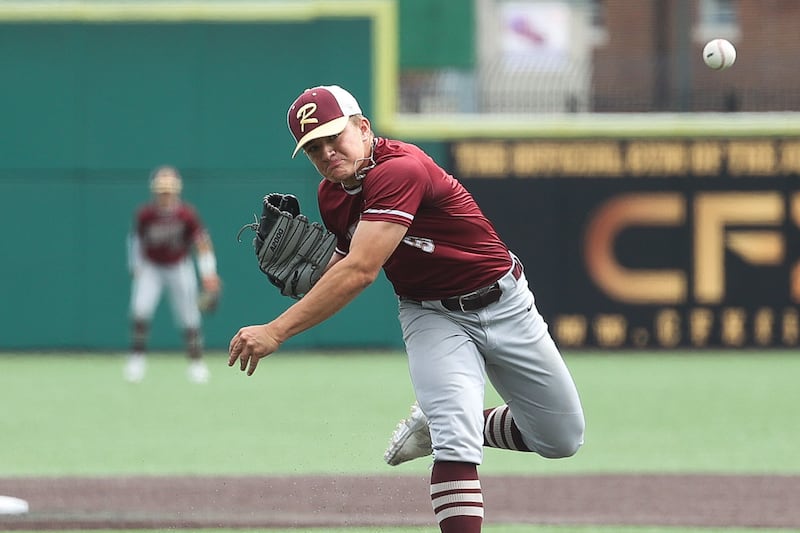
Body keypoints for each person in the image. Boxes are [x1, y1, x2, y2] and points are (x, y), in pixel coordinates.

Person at [228, 85, 585, 532]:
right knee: (458, 443)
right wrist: (316, 278)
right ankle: (448, 423)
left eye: (334, 136)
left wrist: (276, 330)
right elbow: (346, 260)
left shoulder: (401, 169)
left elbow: (360, 271)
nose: (326, 152)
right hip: (431, 315)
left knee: (560, 438)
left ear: (363, 127)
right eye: (313, 147)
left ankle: (438, 421)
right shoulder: (331, 195)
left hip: (505, 302)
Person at [126, 165, 220, 384]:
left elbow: (202, 243)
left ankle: (196, 363)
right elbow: (135, 240)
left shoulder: (186, 214)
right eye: (161, 191)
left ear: (176, 191)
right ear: (155, 191)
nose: (165, 196)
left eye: (168, 191)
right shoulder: (146, 214)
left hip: (179, 266)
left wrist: (209, 273)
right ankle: (136, 359)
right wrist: (135, 265)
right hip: (152, 267)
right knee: (140, 310)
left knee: (189, 316)